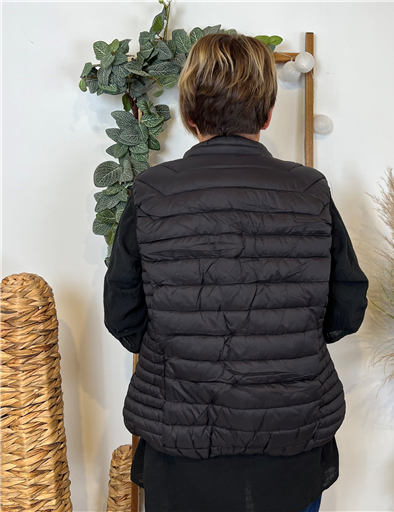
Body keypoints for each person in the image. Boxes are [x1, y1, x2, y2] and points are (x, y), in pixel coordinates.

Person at [103, 33, 368, 512]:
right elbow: (347, 306)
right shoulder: (308, 190)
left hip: (181, 447)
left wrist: (177, 344)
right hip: (291, 445)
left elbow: (122, 312)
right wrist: (291, 341)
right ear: (268, 115)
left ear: (188, 116)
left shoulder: (152, 192)